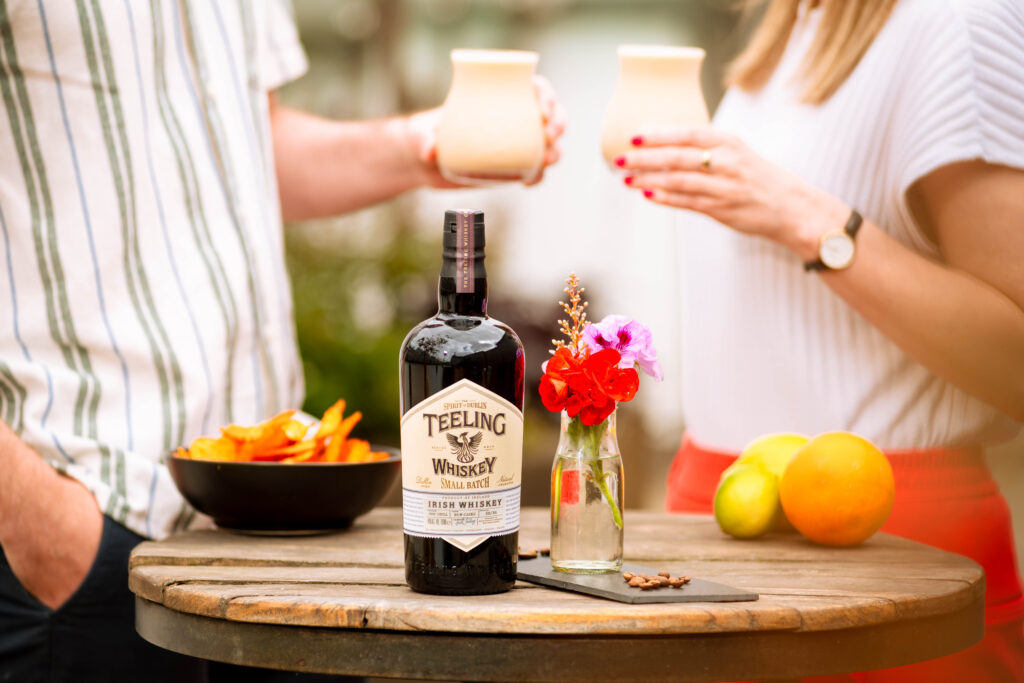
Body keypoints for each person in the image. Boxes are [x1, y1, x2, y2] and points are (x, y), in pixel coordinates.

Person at [0, 1, 566, 681]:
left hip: (279, 530)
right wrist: (43, 529)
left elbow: (251, 150)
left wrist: (427, 143)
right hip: (82, 517)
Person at [615, 0, 1024, 680]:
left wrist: (810, 222)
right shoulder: (790, 27)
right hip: (717, 529)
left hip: (885, 562)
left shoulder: (958, 22)